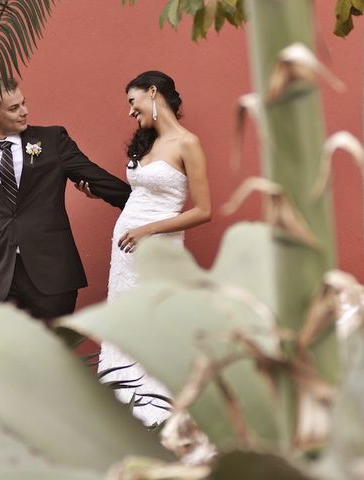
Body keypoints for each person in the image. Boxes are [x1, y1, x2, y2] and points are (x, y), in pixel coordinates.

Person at [78, 71, 211, 426]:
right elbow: (139, 196)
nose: (130, 111)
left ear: (153, 93)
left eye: (132, 101)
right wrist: (100, 193)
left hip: (158, 253)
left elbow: (203, 210)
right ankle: (123, 416)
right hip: (125, 257)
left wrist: (148, 230)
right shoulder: (147, 143)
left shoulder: (187, 143)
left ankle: (157, 417)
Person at [0, 78, 131, 321]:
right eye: (13, 108)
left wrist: (141, 205)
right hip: (1, 284)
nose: (24, 112)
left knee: (51, 355)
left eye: (23, 103)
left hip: (52, 277)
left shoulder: (52, 141)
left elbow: (97, 178)